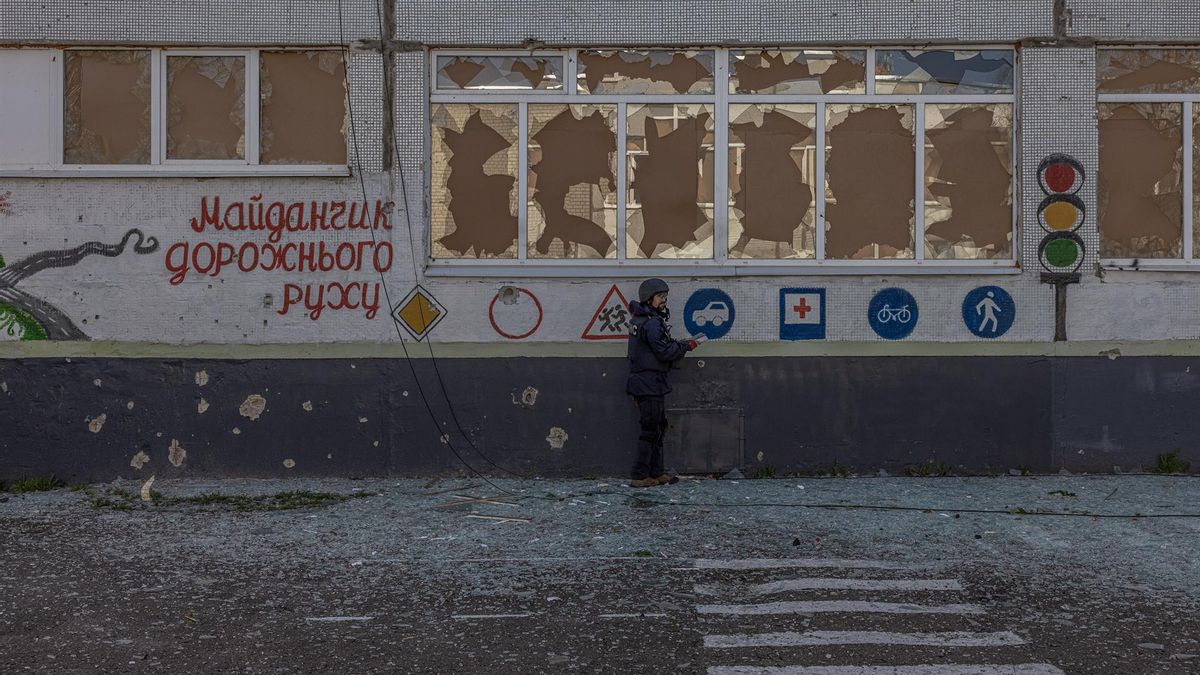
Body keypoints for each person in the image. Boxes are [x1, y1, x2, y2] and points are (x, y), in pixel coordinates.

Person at [626, 278, 699, 488]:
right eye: (660, 297)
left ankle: (656, 472)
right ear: (649, 299)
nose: (664, 301)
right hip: (648, 382)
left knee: (658, 427)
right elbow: (664, 351)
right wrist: (688, 346)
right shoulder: (650, 322)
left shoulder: (643, 320)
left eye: (665, 296)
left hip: (649, 381)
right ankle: (640, 474)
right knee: (651, 429)